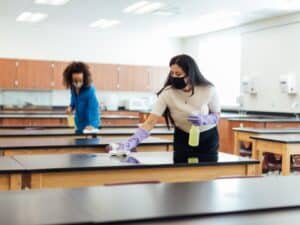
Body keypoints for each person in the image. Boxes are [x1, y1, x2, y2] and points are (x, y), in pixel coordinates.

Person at [108, 54, 221, 163]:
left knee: (206, 172)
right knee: (180, 173)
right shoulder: (168, 92)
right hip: (182, 136)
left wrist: (205, 120)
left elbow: (216, 116)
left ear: (190, 74)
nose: (174, 77)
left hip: (207, 137)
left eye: (178, 73)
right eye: (172, 73)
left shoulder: (208, 89)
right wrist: (133, 141)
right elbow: (150, 122)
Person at [63, 62, 100, 133]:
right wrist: (70, 107)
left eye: (80, 80)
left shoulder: (90, 90)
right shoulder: (73, 88)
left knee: (89, 143)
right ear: (70, 79)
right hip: (79, 124)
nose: (77, 83)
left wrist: (92, 125)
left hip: (89, 127)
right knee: (76, 143)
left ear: (84, 78)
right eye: (75, 81)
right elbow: (73, 101)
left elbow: (93, 109)